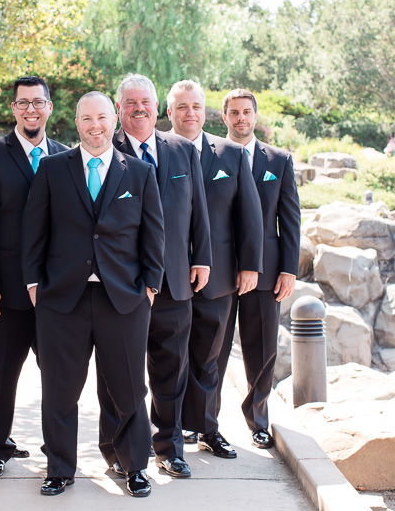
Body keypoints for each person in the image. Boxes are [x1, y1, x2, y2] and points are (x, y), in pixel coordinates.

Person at [23, 91, 164, 498]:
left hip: (123, 300)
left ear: (113, 119)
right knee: (60, 390)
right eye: (87, 119)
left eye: (102, 117)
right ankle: (60, 468)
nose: (95, 126)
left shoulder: (138, 173)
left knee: (129, 389)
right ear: (76, 122)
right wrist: (35, 285)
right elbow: (35, 231)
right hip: (61, 300)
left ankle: (135, 467)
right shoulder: (52, 169)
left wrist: (150, 288)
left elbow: (154, 236)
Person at [104, 73, 212, 479]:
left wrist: (201, 257)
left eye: (145, 101)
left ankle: (169, 446)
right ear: (119, 108)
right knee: (120, 373)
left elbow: (198, 209)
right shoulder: (104, 149)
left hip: (175, 280)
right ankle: (118, 451)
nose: (139, 108)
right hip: (123, 284)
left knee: (172, 370)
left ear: (156, 106)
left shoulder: (182, 150)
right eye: (130, 102)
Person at [0, 76, 68, 479]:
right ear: (13, 109)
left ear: (49, 108)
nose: (30, 110)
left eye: (37, 103)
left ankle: (56, 450)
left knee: (58, 377)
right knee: (0, 374)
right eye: (23, 103)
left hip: (56, 293)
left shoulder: (65, 155)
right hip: (2, 292)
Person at [165, 80, 264, 457]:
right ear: (169, 111)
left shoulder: (231, 154)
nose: (190, 113)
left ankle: (206, 428)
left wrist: (250, 266)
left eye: (196, 106)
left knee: (210, 360)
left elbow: (249, 216)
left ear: (206, 111)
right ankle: (169, 431)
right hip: (169, 275)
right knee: (169, 358)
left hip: (220, 275)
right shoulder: (157, 151)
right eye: (182, 106)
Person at [217, 88, 300, 450]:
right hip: (219, 269)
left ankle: (258, 419)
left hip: (267, 271)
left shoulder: (279, 160)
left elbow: (290, 218)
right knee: (211, 351)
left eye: (246, 112)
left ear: (255, 115)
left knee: (263, 348)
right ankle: (204, 422)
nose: (241, 119)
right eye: (234, 113)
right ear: (225, 118)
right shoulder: (209, 155)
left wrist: (289, 269)